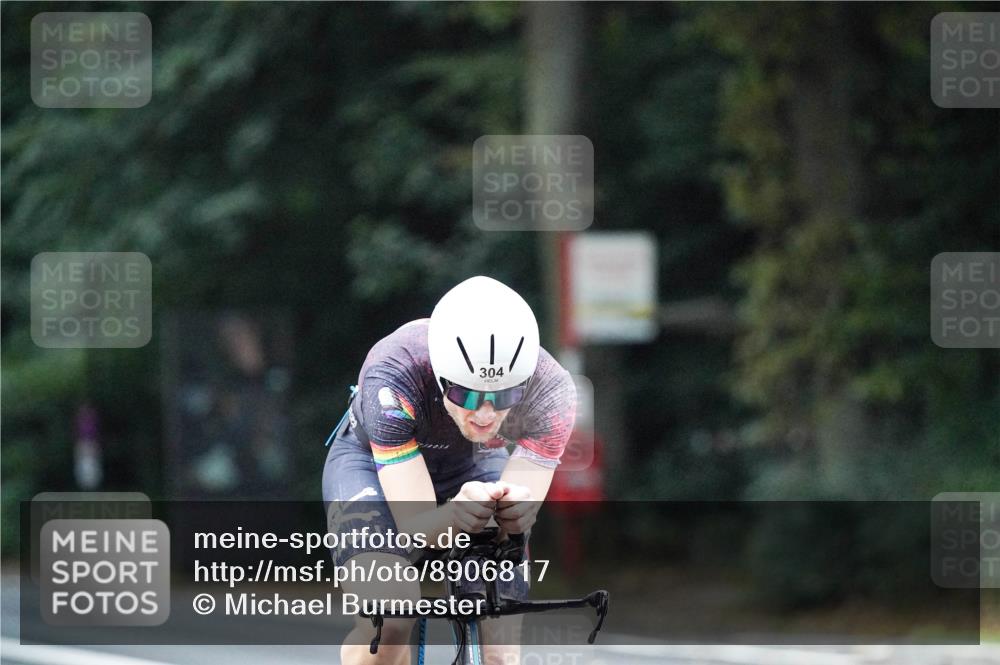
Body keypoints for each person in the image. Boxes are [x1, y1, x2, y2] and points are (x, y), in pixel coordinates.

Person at [323, 276, 577, 665]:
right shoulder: (393, 372)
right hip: (369, 467)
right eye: (466, 394)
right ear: (440, 376)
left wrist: (512, 513)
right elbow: (415, 528)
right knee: (391, 620)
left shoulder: (551, 392)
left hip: (474, 463)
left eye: (503, 395)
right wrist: (455, 516)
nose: (485, 414)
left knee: (501, 653)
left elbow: (512, 526)